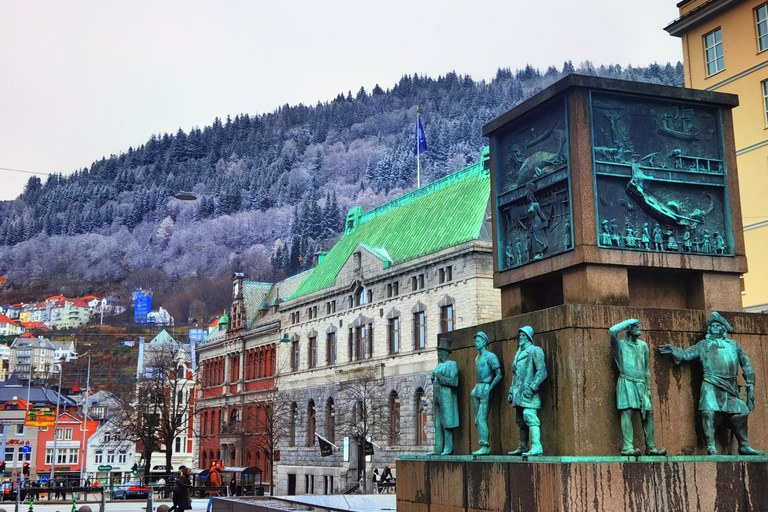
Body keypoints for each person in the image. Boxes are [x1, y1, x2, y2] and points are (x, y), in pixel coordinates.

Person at [659, 311, 763, 455]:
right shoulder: (703, 344)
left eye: (718, 325)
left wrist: (750, 382)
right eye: (712, 325)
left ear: (723, 329)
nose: (714, 327)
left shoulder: (733, 345)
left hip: (730, 385)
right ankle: (710, 445)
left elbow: (746, 363)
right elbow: (686, 355)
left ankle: (743, 445)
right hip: (711, 383)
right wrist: (673, 350)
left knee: (741, 413)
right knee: (708, 412)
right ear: (709, 329)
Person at [609, 319, 666, 456]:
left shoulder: (643, 346)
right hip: (626, 382)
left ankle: (651, 447)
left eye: (637, 325)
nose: (637, 328)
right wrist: (627, 322)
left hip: (641, 384)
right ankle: (627, 447)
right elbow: (611, 332)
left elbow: (646, 369)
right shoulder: (620, 345)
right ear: (628, 329)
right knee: (627, 412)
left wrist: (648, 388)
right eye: (634, 326)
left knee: (648, 413)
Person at [507, 326, 547, 456]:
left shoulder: (535, 350)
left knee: (529, 417)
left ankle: (537, 446)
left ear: (529, 337)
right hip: (518, 392)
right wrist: (511, 392)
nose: (520, 338)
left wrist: (532, 387)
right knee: (519, 420)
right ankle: (523, 447)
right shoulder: (518, 354)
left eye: (523, 335)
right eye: (520, 336)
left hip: (529, 391)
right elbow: (516, 376)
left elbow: (542, 371)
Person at [470, 331, 502, 455]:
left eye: (478, 341)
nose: (475, 344)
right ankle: (481, 444)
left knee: (481, 418)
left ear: (484, 342)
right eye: (475, 341)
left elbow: (499, 374)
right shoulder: (477, 358)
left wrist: (489, 389)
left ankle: (485, 445)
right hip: (477, 389)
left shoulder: (491, 356)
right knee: (476, 421)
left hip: (486, 388)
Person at [431, 338, 459, 455]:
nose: (438, 353)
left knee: (447, 422)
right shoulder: (438, 366)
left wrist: (441, 378)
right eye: (438, 351)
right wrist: (433, 377)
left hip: (446, 396)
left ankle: (448, 447)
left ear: (445, 353)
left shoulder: (452, 364)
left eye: (440, 351)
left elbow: (454, 381)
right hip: (437, 395)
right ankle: (437, 448)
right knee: (437, 423)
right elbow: (434, 378)